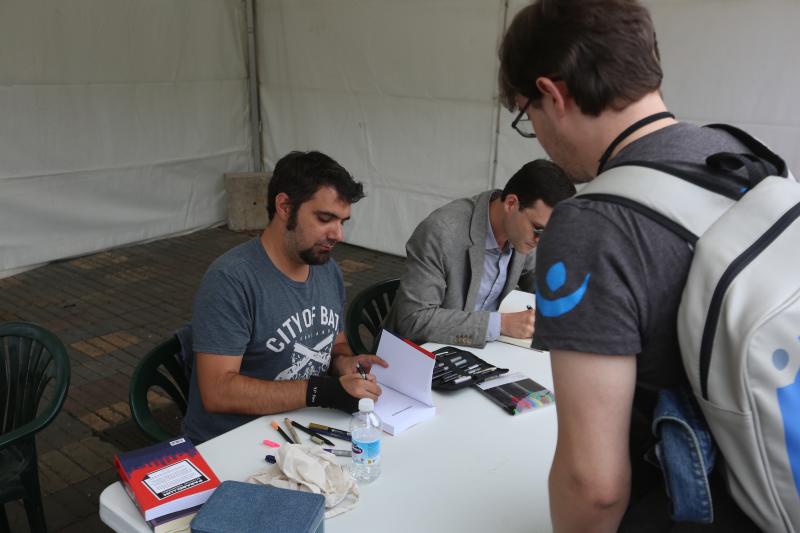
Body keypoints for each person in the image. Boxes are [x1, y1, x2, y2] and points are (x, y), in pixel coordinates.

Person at [498, 1, 762, 531]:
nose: (539, 136)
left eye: (528, 117)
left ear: (553, 94)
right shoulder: (738, 155)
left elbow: (593, 487)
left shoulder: (590, 225)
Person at [183, 151, 387, 444]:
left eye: (343, 221)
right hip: (232, 444)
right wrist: (323, 392)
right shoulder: (231, 279)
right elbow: (218, 391)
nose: (338, 234)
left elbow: (336, 342)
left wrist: (344, 362)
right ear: (284, 207)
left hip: (301, 430)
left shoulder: (327, 271)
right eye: (325, 218)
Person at [384, 159, 575, 348]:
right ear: (511, 204)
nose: (542, 241)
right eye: (539, 229)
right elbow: (413, 320)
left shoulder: (522, 233)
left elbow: (543, 284)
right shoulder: (441, 232)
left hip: (481, 351)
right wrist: (502, 324)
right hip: (418, 354)